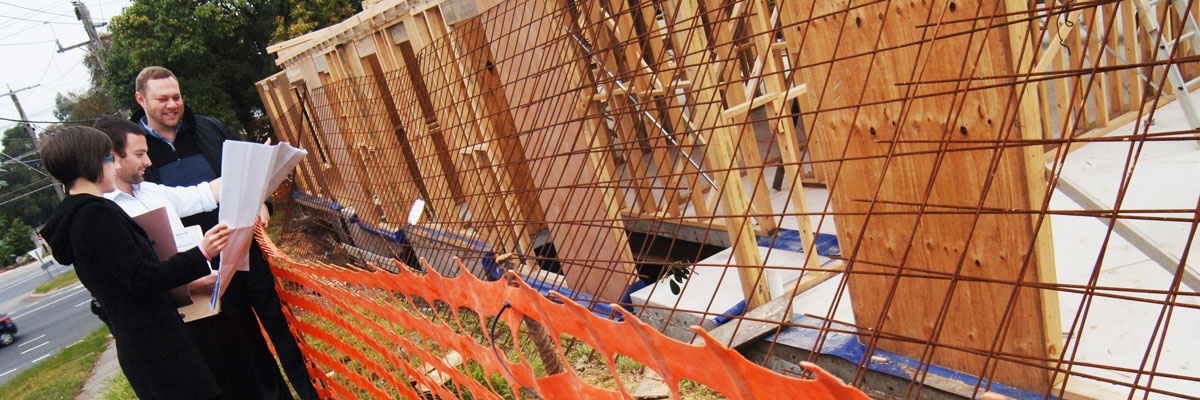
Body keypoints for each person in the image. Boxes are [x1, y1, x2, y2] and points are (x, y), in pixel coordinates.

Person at [132, 66, 319, 400]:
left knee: (282, 326)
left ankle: (312, 392)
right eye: (163, 99)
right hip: (203, 265)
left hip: (246, 244)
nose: (173, 104)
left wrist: (261, 201)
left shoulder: (209, 129)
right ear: (141, 100)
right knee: (244, 342)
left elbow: (248, 172)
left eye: (176, 96)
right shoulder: (138, 151)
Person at [38, 126, 230, 400]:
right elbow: (141, 278)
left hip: (148, 345)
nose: (115, 165)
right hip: (156, 345)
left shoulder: (80, 214)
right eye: (109, 158)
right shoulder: (94, 214)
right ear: (89, 163)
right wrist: (201, 254)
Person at [95, 116, 272, 399]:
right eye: (140, 154)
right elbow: (133, 280)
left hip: (209, 312)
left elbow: (204, 194)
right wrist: (189, 284)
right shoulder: (105, 213)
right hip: (174, 330)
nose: (149, 162)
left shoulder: (150, 191)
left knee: (244, 383)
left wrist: (254, 166)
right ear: (113, 158)